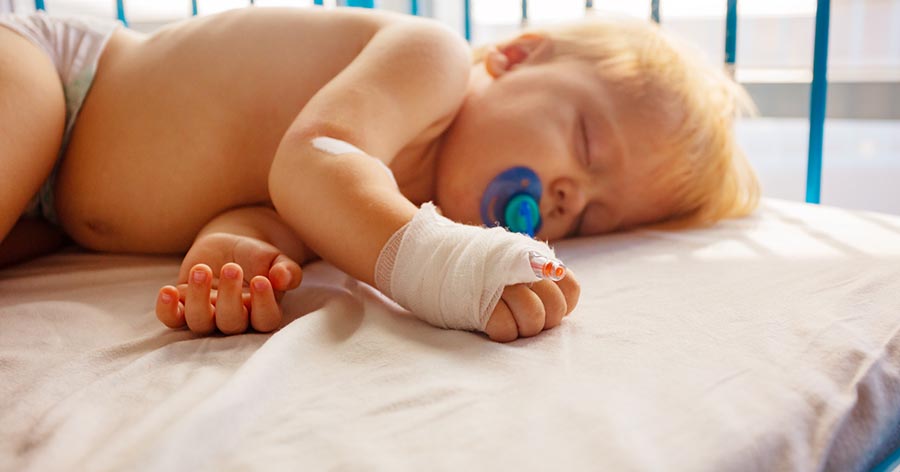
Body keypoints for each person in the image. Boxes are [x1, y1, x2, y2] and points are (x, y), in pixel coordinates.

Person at [0, 6, 758, 342]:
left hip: (54, 214)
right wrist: (443, 269)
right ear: (516, 57)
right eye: (585, 143)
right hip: (62, 80)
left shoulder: (377, 203)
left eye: (591, 215)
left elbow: (272, 205)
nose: (567, 196)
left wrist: (236, 258)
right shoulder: (429, 60)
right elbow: (310, 163)